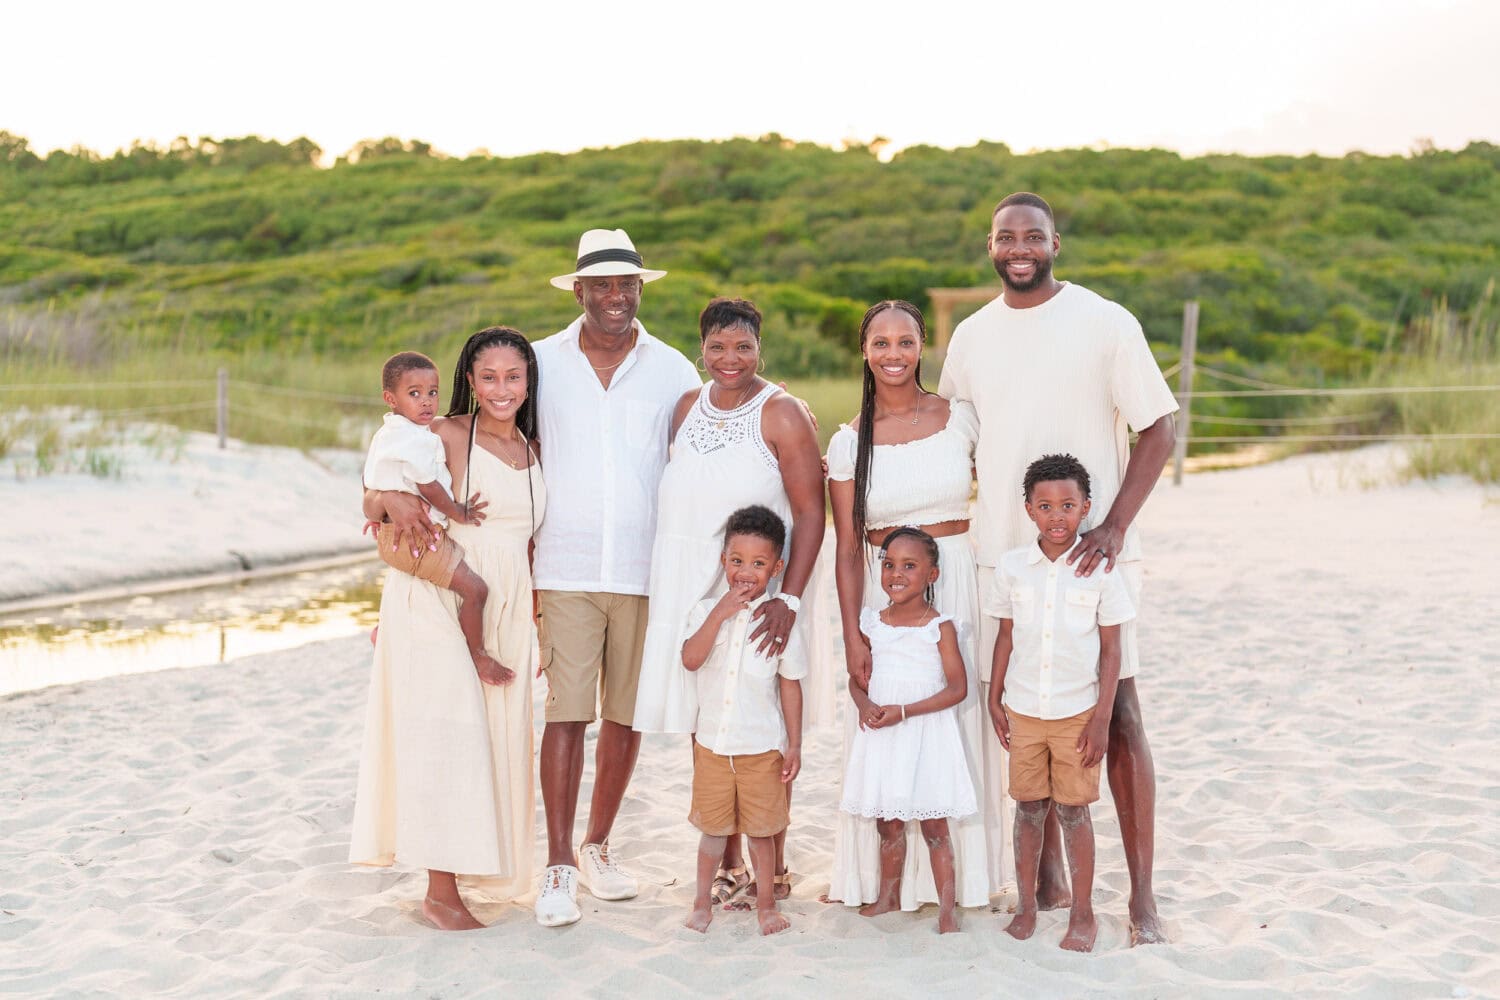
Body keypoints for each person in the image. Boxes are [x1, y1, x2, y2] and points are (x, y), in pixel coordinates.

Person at [937, 191, 1178, 945]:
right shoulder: (971, 336)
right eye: (1006, 237)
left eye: (1033, 236)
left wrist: (1112, 526)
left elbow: (1160, 428)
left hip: (1089, 559)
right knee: (1026, 710)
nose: (1020, 248)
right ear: (989, 246)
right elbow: (951, 436)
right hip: (1004, 560)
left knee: (1121, 713)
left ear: (1055, 244)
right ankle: (1043, 882)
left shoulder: (1106, 321)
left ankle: (1140, 900)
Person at [530, 229, 701, 927]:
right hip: (563, 565)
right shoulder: (540, 361)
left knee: (625, 717)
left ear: (640, 289)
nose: (614, 297)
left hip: (644, 568)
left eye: (625, 284)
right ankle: (559, 863)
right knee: (566, 714)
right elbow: (488, 435)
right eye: (600, 285)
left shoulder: (673, 369)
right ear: (577, 291)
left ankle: (599, 846)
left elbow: (704, 450)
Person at [349, 327, 545, 930]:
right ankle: (440, 893)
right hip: (439, 592)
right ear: (470, 381)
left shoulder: (537, 448)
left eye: (513, 376)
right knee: (450, 734)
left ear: (528, 381)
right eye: (488, 377)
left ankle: (472, 872)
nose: (501, 389)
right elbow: (375, 489)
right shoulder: (445, 432)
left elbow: (532, 542)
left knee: (495, 737)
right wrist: (385, 501)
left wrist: (538, 617)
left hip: (506, 605)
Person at [633, 296, 824, 907]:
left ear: (760, 347)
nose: (730, 358)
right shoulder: (687, 407)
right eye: (717, 346)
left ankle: (777, 866)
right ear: (702, 349)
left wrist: (787, 597)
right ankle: (729, 862)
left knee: (760, 715)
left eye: (743, 346)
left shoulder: (784, 411)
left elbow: (810, 513)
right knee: (709, 713)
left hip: (761, 586)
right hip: (692, 584)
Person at [824, 300, 993, 912]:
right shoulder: (849, 443)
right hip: (883, 587)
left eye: (905, 341)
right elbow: (846, 549)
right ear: (864, 352)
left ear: (923, 347)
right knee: (886, 735)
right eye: (880, 343)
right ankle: (885, 885)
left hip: (956, 578)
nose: (893, 354)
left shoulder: (961, 420)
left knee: (956, 721)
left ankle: (962, 885)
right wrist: (852, 636)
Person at [987, 454, 1134, 952]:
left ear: (1086, 508)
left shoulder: (1101, 571)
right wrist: (993, 696)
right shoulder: (1011, 568)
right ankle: (1027, 906)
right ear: (1028, 510)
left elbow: (1113, 650)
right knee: (1027, 809)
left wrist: (1101, 719)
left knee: (1074, 813)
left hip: (1077, 714)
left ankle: (1084, 913)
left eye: (1068, 506)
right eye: (1045, 506)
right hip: (1025, 710)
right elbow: (1005, 636)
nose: (1057, 516)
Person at [839, 528, 976, 935]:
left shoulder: (939, 627)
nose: (895, 574)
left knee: (934, 825)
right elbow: (857, 679)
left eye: (909, 566)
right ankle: (888, 896)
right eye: (888, 564)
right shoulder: (871, 623)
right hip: (884, 736)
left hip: (924, 734)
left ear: (932, 575)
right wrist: (865, 704)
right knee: (888, 823)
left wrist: (905, 710)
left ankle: (947, 910)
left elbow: (958, 688)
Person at [680, 506, 805, 937]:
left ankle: (766, 904)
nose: (746, 572)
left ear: (777, 567)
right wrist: (719, 615)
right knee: (712, 833)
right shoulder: (703, 612)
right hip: (713, 746)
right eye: (737, 561)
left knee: (763, 833)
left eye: (758, 563)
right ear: (723, 560)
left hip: (761, 747)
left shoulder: (780, 620)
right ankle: (700, 903)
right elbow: (690, 659)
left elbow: (790, 684)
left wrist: (795, 744)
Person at [361, 351, 499, 682]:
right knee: (475, 590)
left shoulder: (389, 433)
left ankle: (386, 627)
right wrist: (458, 512)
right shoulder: (413, 439)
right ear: (390, 398)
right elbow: (430, 486)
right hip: (414, 538)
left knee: (434, 592)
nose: (426, 402)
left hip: (395, 534)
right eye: (414, 394)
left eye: (433, 393)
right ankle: (478, 656)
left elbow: (372, 479)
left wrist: (381, 509)